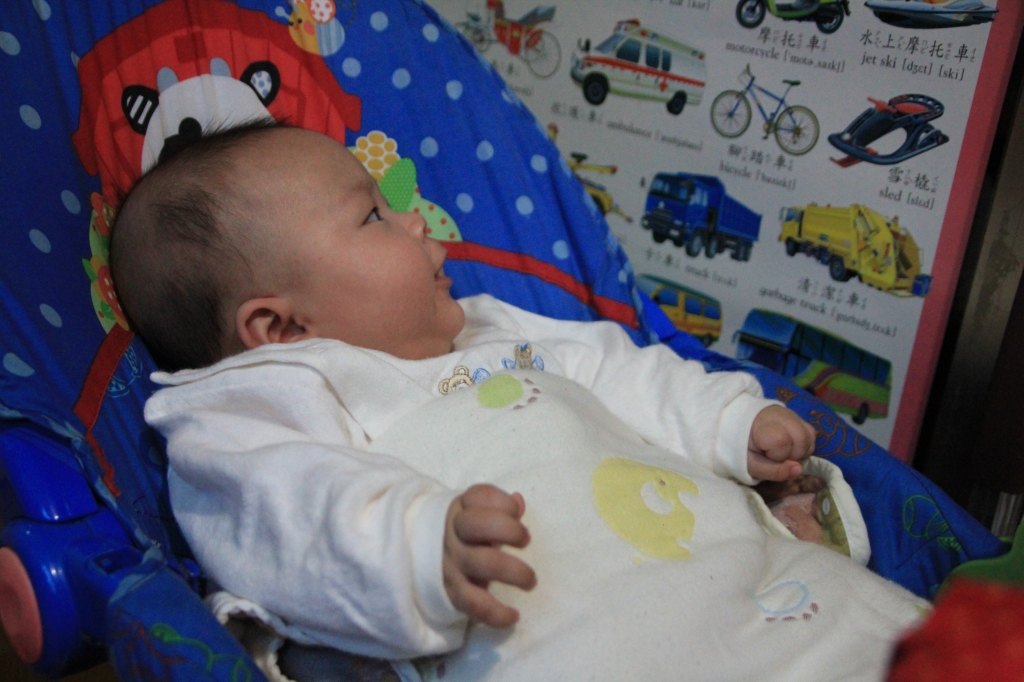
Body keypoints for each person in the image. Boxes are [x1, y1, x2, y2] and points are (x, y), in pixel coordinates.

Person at [111, 122, 923, 681]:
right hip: (583, 641)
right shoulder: (259, 404)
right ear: (281, 327)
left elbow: (623, 369)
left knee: (882, 635)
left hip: (746, 581)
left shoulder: (493, 328)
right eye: (374, 215)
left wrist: (727, 420)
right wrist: (412, 543)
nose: (416, 222)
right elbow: (284, 511)